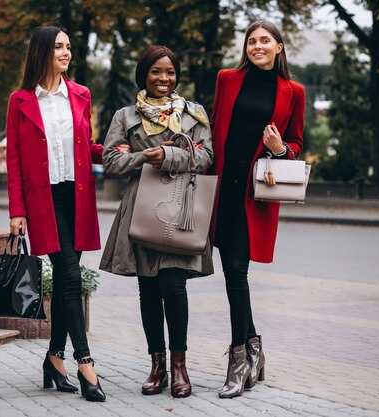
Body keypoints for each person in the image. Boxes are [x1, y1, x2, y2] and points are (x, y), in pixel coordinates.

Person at [99, 45, 214, 398]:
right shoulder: (125, 115)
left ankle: (180, 365)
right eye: (156, 72)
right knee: (148, 288)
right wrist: (144, 158)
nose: (164, 79)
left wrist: (170, 154)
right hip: (141, 210)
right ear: (144, 75)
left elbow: (207, 156)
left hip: (181, 208)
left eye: (170, 72)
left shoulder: (194, 114)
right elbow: (110, 161)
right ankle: (157, 364)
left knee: (173, 286)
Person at [5, 25, 106, 402]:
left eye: (69, 46)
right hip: (43, 202)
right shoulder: (21, 102)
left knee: (66, 284)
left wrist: (114, 150)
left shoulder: (80, 94)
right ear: (43, 52)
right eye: (59, 47)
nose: (66, 53)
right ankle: (86, 363)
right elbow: (14, 160)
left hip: (77, 198)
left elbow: (88, 144)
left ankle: (53, 359)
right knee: (68, 276)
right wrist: (17, 210)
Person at [209, 20, 305, 398]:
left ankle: (238, 363)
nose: (258, 46)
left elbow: (296, 142)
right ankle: (255, 350)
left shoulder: (292, 90)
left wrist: (280, 148)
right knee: (232, 272)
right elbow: (217, 124)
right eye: (252, 41)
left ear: (279, 47)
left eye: (265, 40)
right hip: (224, 189)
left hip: (256, 193)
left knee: (236, 270)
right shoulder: (227, 78)